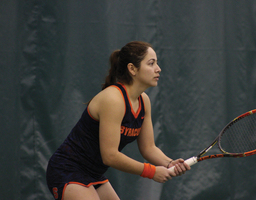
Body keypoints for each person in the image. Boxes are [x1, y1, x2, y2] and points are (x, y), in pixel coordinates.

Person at [46, 41, 190, 200]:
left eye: (157, 63)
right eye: (151, 63)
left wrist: (170, 164)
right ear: (132, 69)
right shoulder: (113, 100)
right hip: (67, 169)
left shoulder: (144, 101)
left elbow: (148, 148)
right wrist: (152, 171)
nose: (158, 68)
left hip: (94, 173)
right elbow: (110, 156)